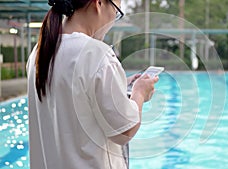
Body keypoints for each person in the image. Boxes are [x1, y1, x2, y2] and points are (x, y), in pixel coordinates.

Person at [26, 0, 159, 168]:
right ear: (99, 3)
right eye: (116, 12)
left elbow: (71, 94)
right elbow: (124, 131)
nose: (113, 19)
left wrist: (119, 85)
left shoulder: (39, 52)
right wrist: (139, 93)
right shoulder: (97, 54)